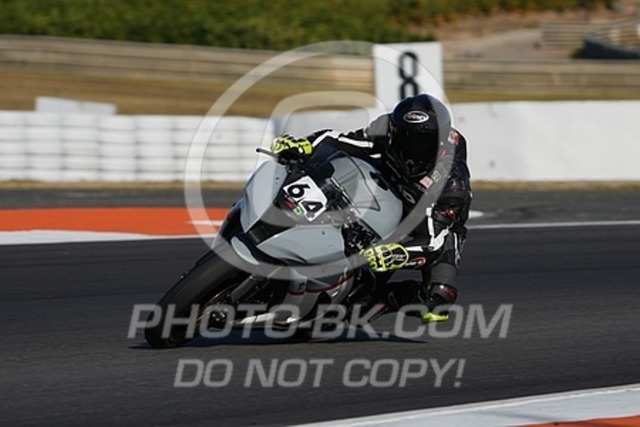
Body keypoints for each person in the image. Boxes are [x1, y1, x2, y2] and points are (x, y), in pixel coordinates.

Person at [269, 93, 472, 323]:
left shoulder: (452, 183)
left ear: (439, 145)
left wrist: (399, 253)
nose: (412, 150)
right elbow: (341, 140)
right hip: (391, 182)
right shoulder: (386, 129)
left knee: (437, 299)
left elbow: (434, 241)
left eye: (422, 144)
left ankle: (379, 300)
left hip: (433, 221)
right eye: (405, 139)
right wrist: (305, 145)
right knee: (332, 164)